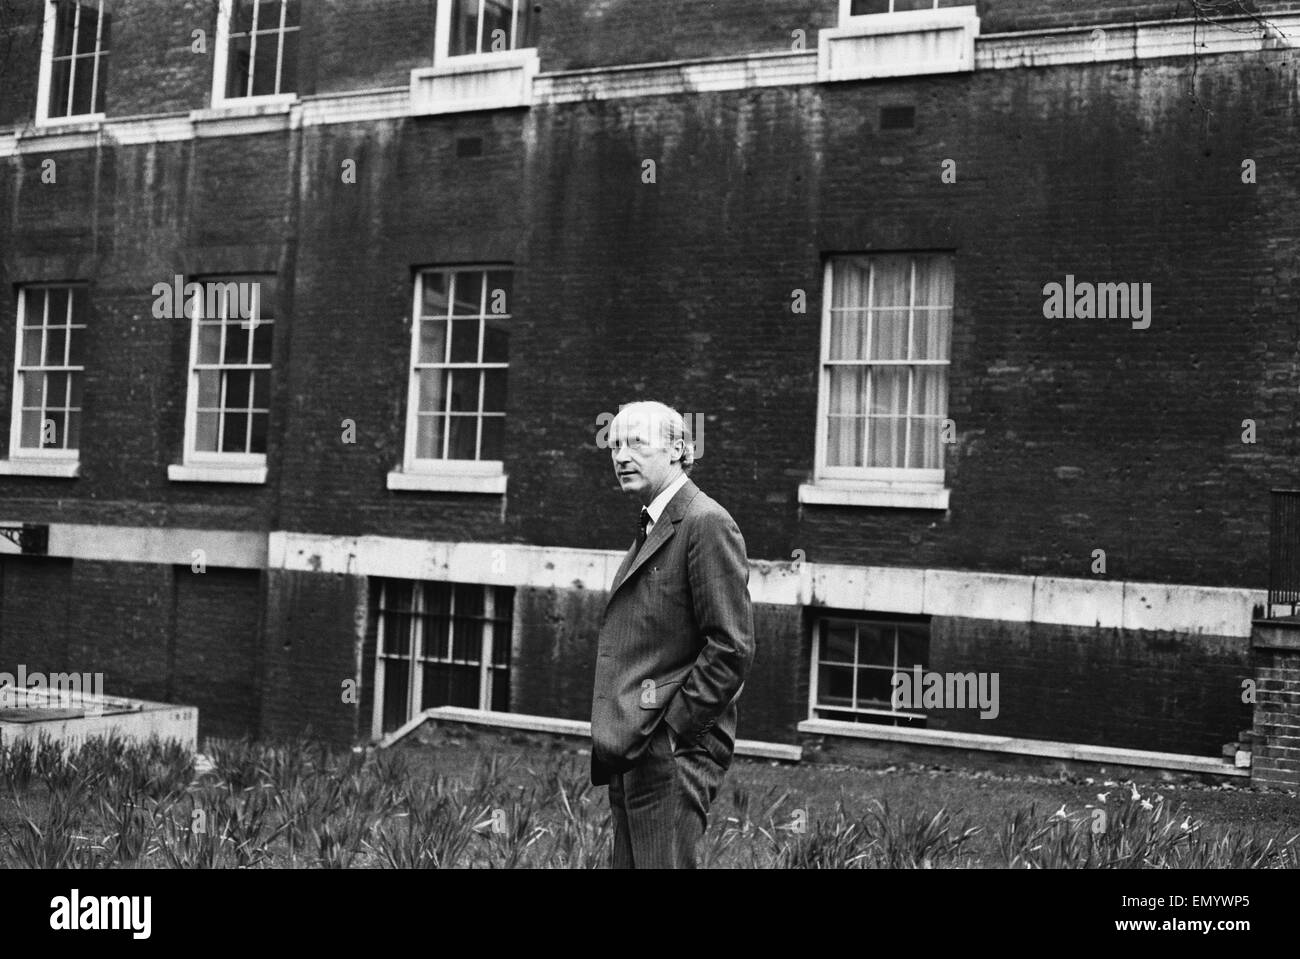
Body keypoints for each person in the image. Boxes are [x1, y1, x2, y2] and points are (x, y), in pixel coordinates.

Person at [589, 400, 755, 868]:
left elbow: (731, 647)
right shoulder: (653, 521)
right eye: (615, 444)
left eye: (637, 443)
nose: (621, 456)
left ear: (678, 448)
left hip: (669, 752)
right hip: (633, 746)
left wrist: (674, 731)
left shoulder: (705, 522)